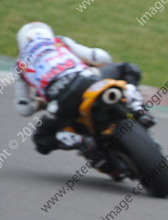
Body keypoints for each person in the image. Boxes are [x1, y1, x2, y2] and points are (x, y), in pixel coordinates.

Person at [13, 21, 155, 156]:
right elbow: (101, 57)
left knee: (41, 139)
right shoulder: (59, 41)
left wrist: (39, 104)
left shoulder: (19, 66)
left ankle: (81, 141)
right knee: (128, 69)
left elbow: (23, 109)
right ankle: (139, 109)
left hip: (61, 103)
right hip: (86, 80)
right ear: (48, 33)